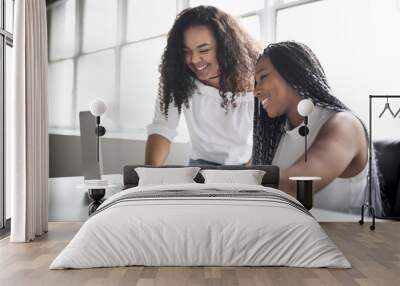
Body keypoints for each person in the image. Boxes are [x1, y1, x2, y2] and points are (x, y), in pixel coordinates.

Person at [252, 41, 383, 215]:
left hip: (342, 240)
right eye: (254, 82)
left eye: (263, 77)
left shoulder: (345, 125)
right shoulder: (278, 135)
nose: (256, 91)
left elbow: (294, 186)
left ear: (292, 74)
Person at [145, 6, 260, 166]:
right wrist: (149, 175)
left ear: (226, 48)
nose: (194, 59)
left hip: (247, 165)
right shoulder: (177, 76)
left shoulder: (255, 79)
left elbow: (268, 135)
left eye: (204, 50)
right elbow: (162, 127)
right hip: (199, 165)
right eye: (186, 51)